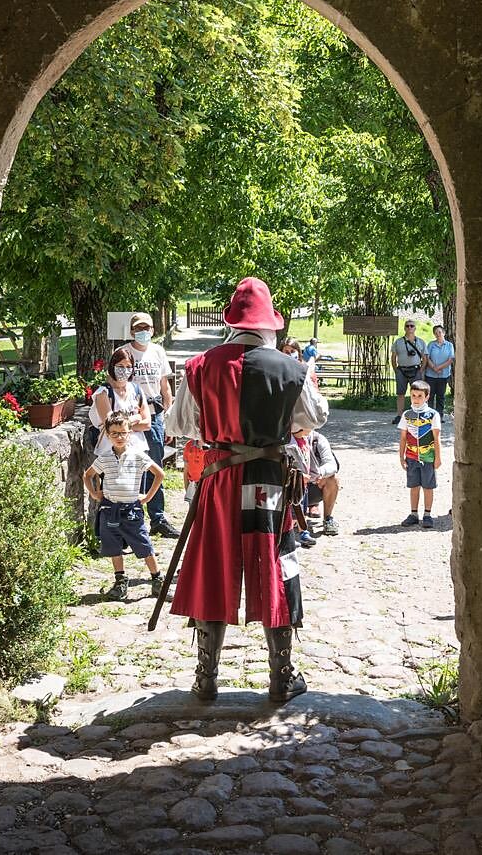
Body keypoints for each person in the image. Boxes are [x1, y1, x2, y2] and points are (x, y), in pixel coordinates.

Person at [165, 277, 329, 704]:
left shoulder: (201, 366)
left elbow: (180, 425)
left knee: (214, 569)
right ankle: (281, 677)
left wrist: (219, 430)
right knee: (276, 568)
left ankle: (206, 679)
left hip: (219, 481)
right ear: (269, 324)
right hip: (269, 484)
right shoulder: (291, 368)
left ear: (232, 321)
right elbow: (316, 415)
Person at [84, 412, 167, 601]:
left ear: (130, 433)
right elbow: (87, 475)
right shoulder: (104, 458)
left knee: (144, 545)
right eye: (114, 433)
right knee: (113, 547)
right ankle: (120, 581)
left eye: (123, 432)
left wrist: (147, 497)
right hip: (109, 510)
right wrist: (94, 493)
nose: (119, 437)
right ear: (107, 435)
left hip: (131, 511)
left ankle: (157, 580)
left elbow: (159, 474)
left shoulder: (138, 456)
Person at [122, 313, 180, 538]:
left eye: (146, 328)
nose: (142, 332)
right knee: (131, 466)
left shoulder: (158, 351)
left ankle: (158, 517)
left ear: (153, 330)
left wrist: (168, 414)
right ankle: (132, 517)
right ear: (131, 331)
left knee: (155, 465)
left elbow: (165, 385)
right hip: (132, 417)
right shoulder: (125, 353)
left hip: (154, 416)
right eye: (138, 328)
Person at [89, 348, 150, 455]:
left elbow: (147, 424)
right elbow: (110, 425)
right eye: (120, 366)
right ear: (113, 366)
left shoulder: (137, 390)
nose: (125, 370)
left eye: (128, 367)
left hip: (137, 451)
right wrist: (136, 417)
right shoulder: (103, 393)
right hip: (111, 453)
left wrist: (121, 426)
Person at [398, 380, 441, 527]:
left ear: (427, 397)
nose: (416, 399)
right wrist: (401, 457)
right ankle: (413, 513)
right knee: (414, 485)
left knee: (428, 486)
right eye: (413, 395)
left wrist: (438, 458)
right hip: (411, 456)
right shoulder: (406, 415)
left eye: (419, 396)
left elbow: (436, 438)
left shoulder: (433, 415)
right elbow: (403, 437)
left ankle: (428, 514)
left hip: (428, 457)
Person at [293, 426, 341, 536]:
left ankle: (328, 519)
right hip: (293, 488)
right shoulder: (287, 439)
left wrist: (320, 473)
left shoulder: (318, 439)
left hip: (313, 484)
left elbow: (332, 464)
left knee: (332, 479)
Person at [390, 319, 428, 424]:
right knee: (400, 393)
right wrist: (396, 370)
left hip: (416, 370)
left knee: (418, 393)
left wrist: (421, 370)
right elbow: (393, 357)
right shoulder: (398, 342)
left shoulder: (420, 342)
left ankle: (419, 414)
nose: (409, 328)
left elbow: (425, 358)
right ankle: (399, 415)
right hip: (401, 370)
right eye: (407, 326)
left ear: (415, 328)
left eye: (412, 326)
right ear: (404, 328)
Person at [424, 324, 455, 418]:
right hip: (430, 375)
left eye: (440, 332)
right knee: (430, 396)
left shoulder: (449, 345)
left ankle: (439, 416)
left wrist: (439, 368)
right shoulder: (431, 344)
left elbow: (450, 360)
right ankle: (429, 416)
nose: (438, 334)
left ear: (444, 333)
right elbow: (427, 358)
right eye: (436, 332)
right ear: (434, 334)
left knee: (441, 396)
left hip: (443, 375)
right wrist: (434, 368)